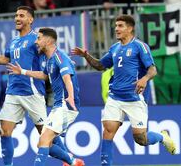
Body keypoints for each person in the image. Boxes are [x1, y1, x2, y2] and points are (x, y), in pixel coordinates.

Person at [71, 15, 176, 166]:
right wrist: (86, 56)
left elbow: (152, 70)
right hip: (115, 97)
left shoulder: (139, 46)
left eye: (120, 26)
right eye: (116, 26)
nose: (116, 29)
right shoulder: (115, 48)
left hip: (134, 98)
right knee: (108, 131)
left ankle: (162, 137)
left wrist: (144, 79)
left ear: (130, 28)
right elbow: (101, 66)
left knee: (141, 139)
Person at [0, 6, 50, 166]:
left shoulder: (36, 39)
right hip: (13, 91)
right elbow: (6, 59)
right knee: (4, 131)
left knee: (46, 135)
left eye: (21, 15)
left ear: (30, 19)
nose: (17, 18)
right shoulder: (14, 41)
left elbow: (50, 53)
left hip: (32, 91)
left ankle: (70, 160)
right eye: (16, 15)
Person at [7, 28, 85, 166]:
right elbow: (44, 76)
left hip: (65, 105)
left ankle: (72, 162)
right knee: (43, 143)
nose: (36, 41)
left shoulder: (59, 56)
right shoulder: (49, 60)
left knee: (44, 142)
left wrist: (71, 97)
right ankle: (73, 162)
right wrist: (22, 71)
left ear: (48, 40)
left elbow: (67, 77)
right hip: (58, 106)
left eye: (38, 38)